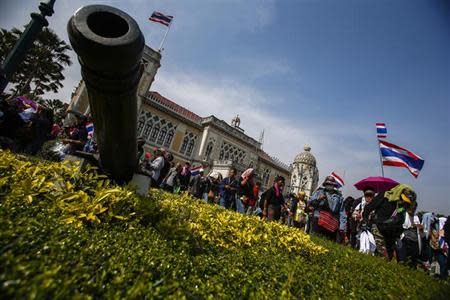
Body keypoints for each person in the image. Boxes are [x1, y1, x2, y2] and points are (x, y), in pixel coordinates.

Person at [362, 184, 416, 261]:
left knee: (390, 257)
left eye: (406, 202)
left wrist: (398, 232)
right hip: (378, 229)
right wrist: (365, 221)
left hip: (391, 234)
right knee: (383, 256)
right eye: (402, 199)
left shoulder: (403, 206)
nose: (403, 202)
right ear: (399, 193)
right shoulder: (384, 196)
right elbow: (368, 208)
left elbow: (400, 220)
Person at [308, 176, 345, 241]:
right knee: (315, 240)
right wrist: (318, 199)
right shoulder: (319, 192)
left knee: (328, 242)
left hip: (331, 222)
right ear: (325, 184)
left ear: (334, 185)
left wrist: (342, 226)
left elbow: (342, 212)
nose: (329, 185)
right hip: (318, 219)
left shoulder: (339, 197)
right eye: (328, 184)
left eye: (331, 184)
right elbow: (310, 203)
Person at [397, 202, 422, 268]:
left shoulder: (416, 217)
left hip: (415, 242)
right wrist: (404, 207)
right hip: (404, 240)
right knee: (402, 259)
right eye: (411, 207)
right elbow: (397, 210)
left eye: (414, 208)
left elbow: (419, 228)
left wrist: (420, 227)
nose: (412, 209)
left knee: (413, 261)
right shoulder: (404, 214)